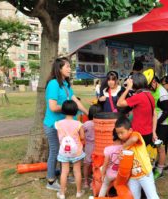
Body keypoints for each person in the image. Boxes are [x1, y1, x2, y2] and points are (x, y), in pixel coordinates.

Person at [43, 57, 88, 191]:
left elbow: (75, 101)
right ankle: (51, 181)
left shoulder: (66, 85)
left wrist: (87, 113)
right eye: (67, 66)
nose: (70, 69)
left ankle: (65, 174)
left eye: (70, 66)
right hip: (53, 125)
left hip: (65, 126)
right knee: (55, 151)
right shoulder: (53, 84)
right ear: (59, 68)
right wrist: (69, 106)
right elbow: (52, 106)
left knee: (66, 151)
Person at [115, 117, 159, 199]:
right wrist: (120, 157)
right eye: (118, 133)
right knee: (134, 197)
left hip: (145, 174)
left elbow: (134, 139)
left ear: (130, 130)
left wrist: (123, 147)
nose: (120, 135)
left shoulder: (135, 134)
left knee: (152, 196)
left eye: (122, 132)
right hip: (132, 177)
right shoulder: (123, 143)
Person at [55, 100, 86, 199]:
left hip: (64, 152)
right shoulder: (78, 124)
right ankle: (78, 192)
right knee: (77, 171)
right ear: (75, 111)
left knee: (64, 172)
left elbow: (59, 138)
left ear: (63, 110)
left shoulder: (58, 124)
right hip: (76, 152)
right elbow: (82, 137)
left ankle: (62, 193)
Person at [117, 73, 156, 146]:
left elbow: (119, 103)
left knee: (136, 156)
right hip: (148, 132)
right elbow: (154, 115)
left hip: (139, 133)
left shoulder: (138, 97)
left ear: (134, 83)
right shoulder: (150, 95)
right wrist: (154, 131)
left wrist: (128, 88)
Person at [149, 76, 168, 180]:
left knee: (160, 147)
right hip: (154, 123)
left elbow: (167, 111)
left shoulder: (162, 93)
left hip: (162, 124)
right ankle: (153, 167)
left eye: (150, 85)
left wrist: (156, 122)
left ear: (154, 82)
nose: (149, 88)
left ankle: (160, 170)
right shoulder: (151, 90)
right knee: (153, 146)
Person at [83, 104, 102, 189]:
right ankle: (94, 182)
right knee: (96, 165)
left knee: (87, 164)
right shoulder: (101, 123)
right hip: (99, 146)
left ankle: (86, 181)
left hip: (88, 147)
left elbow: (81, 133)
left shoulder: (87, 124)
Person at [98, 130, 123, 197]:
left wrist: (102, 175)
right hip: (120, 175)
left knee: (105, 185)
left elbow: (105, 164)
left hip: (110, 175)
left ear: (112, 136)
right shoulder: (125, 148)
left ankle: (100, 197)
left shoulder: (108, 149)